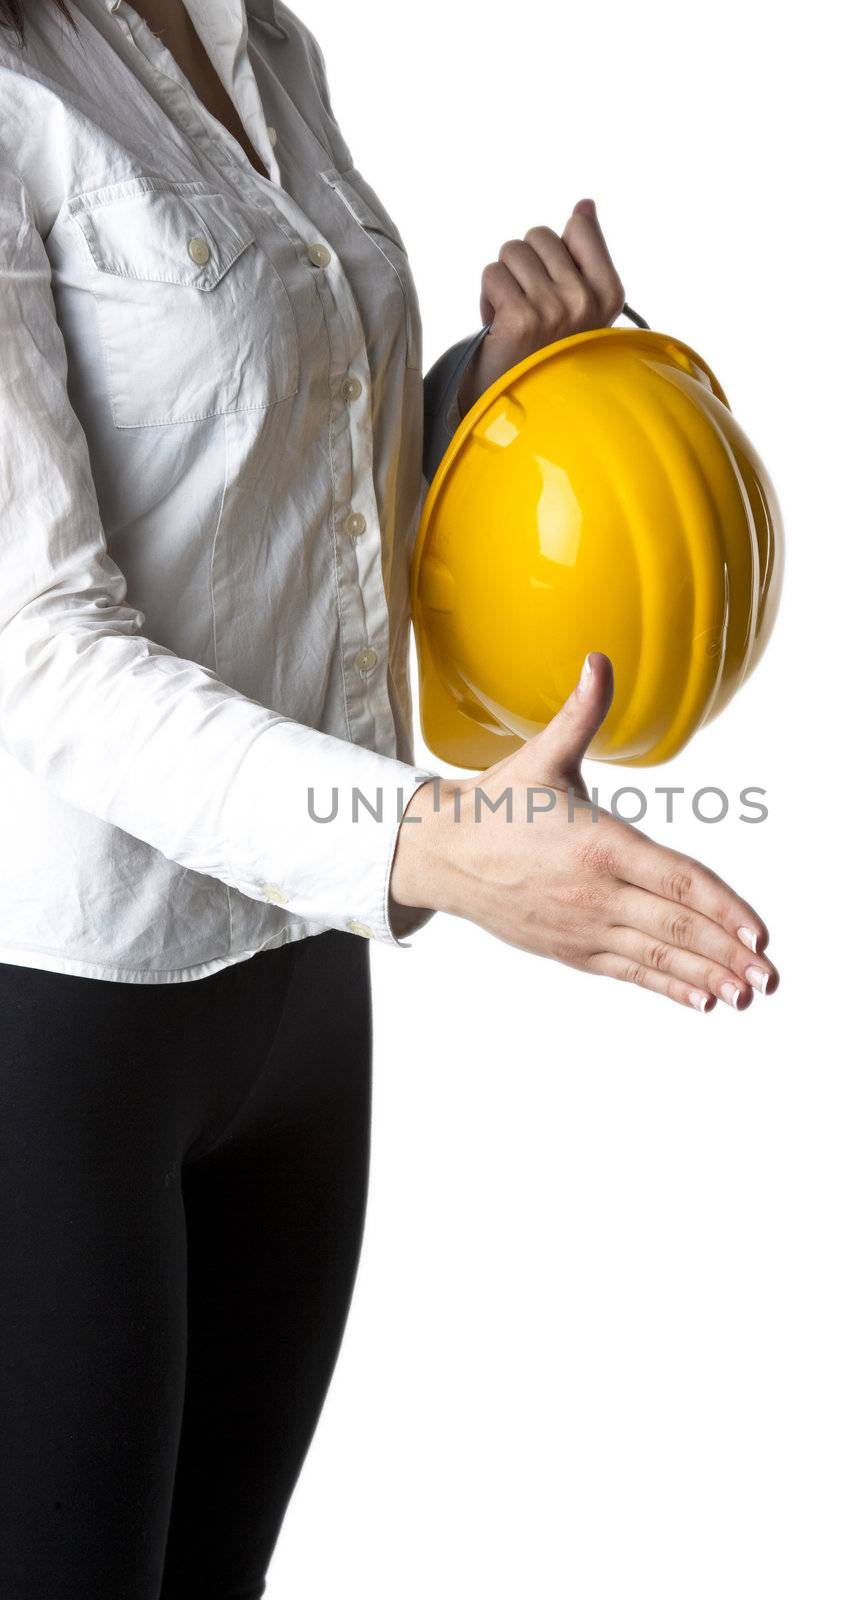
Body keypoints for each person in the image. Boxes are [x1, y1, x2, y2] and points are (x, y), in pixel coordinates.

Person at [0, 0, 779, 1593]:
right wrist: (439, 848)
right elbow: (37, 654)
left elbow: (273, 497)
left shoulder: (266, 42)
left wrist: (475, 402)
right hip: (60, 1020)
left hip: (299, 987)